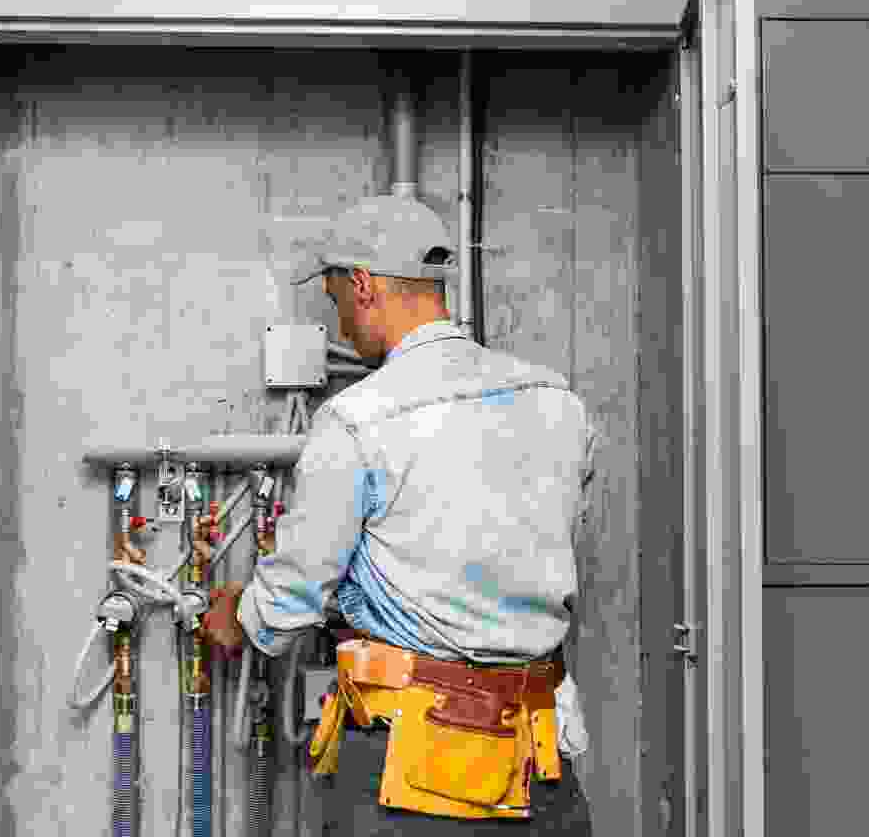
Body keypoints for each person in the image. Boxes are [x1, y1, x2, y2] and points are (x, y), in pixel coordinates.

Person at [202, 214, 598, 834]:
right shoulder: (559, 404)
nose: (339, 324)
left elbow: (295, 594)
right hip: (539, 762)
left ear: (363, 284)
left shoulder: (358, 420)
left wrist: (239, 615)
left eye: (335, 298)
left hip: (414, 775)